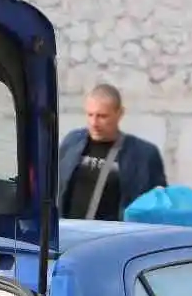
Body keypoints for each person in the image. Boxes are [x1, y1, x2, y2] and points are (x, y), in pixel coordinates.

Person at [57, 84, 166, 221]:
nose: (94, 123)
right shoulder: (72, 142)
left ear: (119, 113)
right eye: (90, 115)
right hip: (72, 234)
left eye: (102, 116)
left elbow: (158, 206)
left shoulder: (143, 154)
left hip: (114, 237)